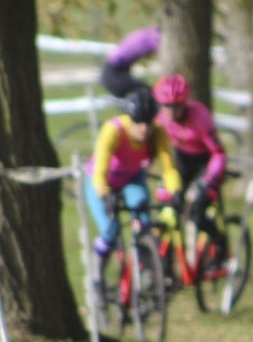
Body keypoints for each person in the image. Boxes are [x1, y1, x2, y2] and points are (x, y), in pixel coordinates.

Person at [85, 87, 182, 265]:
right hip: (101, 181)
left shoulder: (159, 133)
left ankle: (146, 269)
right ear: (130, 119)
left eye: (149, 122)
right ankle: (98, 272)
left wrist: (175, 191)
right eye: (138, 122)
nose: (144, 129)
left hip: (131, 178)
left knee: (144, 221)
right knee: (110, 229)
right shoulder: (113, 130)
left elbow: (168, 168)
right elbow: (99, 171)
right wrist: (105, 194)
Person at [153, 74, 228, 256]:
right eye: (166, 106)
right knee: (166, 209)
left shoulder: (200, 117)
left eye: (176, 106)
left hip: (205, 164)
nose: (170, 111)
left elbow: (218, 154)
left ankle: (220, 244)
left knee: (197, 212)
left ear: (184, 103)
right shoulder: (160, 119)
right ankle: (164, 267)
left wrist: (209, 183)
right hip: (181, 163)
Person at [101, 25, 161, 99]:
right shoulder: (153, 38)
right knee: (150, 93)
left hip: (110, 72)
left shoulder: (144, 33)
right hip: (114, 74)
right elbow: (164, 53)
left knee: (145, 94)